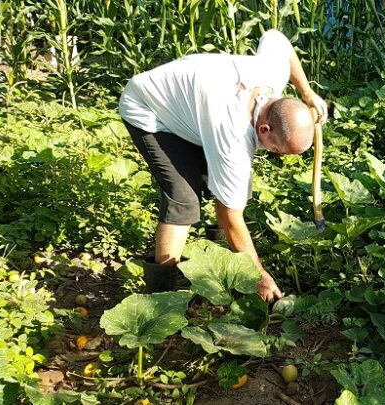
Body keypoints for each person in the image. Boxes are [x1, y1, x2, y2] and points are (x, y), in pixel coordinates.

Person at [119, 29, 327, 301]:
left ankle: (221, 267)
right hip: (151, 110)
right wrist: (260, 276)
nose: (278, 156)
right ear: (264, 129)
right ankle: (161, 296)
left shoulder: (271, 74)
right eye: (278, 150)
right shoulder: (232, 136)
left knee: (236, 186)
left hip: (194, 109)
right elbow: (230, 217)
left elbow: (278, 41)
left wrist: (308, 92)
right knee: (184, 199)